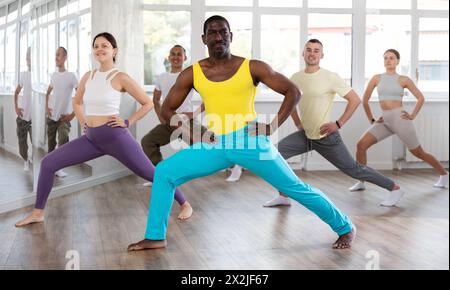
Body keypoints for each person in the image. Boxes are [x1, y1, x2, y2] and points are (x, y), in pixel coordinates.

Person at [128, 16, 355, 252]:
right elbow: (166, 110)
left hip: (250, 140)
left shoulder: (252, 67)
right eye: (213, 32)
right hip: (214, 143)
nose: (218, 37)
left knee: (293, 187)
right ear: (204, 38)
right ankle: (155, 236)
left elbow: (293, 91)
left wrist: (271, 126)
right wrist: (193, 135)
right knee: (164, 172)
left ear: (230, 36)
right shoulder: (193, 73)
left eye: (223, 32)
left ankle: (345, 227)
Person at [15, 32, 191, 228]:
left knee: (152, 173)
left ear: (114, 50)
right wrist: (84, 122)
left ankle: (185, 203)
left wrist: (127, 121)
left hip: (116, 137)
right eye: (96, 46)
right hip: (92, 139)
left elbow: (147, 103)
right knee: (48, 163)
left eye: (104, 45)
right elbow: (77, 101)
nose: (99, 49)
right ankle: (38, 212)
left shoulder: (120, 77)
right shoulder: (88, 76)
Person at [264, 39, 405, 208]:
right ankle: (283, 195)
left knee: (354, 169)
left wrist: (338, 124)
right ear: (303, 54)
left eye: (316, 50)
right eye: (309, 50)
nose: (312, 53)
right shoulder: (296, 78)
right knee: (275, 155)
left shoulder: (330, 77)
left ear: (321, 55)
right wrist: (298, 123)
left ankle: (394, 188)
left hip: (326, 136)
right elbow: (290, 100)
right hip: (306, 135)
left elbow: (354, 99)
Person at [351, 49, 448, 192]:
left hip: (400, 120)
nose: (388, 60)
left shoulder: (404, 79)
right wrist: (371, 119)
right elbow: (364, 100)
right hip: (385, 121)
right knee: (361, 145)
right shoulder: (376, 78)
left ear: (397, 61)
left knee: (419, 153)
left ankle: (444, 174)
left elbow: (420, 98)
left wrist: (413, 115)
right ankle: (361, 180)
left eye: (391, 58)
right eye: (385, 58)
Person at [141, 45, 206, 190]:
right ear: (169, 57)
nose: (176, 57)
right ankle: (161, 175)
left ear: (185, 58)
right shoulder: (162, 77)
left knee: (210, 142)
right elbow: (156, 100)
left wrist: (193, 114)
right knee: (147, 142)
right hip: (169, 122)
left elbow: (208, 99)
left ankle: (234, 165)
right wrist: (161, 118)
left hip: (186, 122)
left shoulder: (190, 76)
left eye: (179, 54)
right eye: (173, 54)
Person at [45, 47, 78, 178]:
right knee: (51, 145)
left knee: (63, 139)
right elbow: (48, 92)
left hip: (64, 117)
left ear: (65, 57)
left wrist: (73, 114)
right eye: (55, 54)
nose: (56, 57)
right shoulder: (53, 75)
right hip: (52, 116)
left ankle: (58, 167)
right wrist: (47, 107)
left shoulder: (71, 76)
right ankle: (50, 167)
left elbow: (80, 95)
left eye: (58, 55)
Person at [14, 48, 32, 172]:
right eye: (26, 57)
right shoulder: (25, 75)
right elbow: (16, 92)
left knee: (36, 143)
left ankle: (31, 158)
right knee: (22, 144)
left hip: (34, 118)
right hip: (23, 116)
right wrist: (16, 106)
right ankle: (25, 160)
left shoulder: (41, 75)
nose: (27, 59)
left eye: (29, 56)